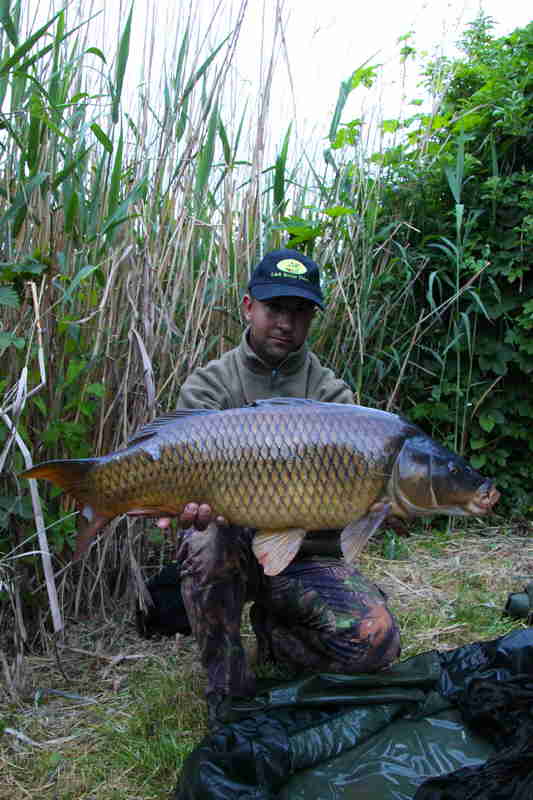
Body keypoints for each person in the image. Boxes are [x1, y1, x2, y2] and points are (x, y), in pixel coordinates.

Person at [158, 248, 401, 726]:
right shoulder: (210, 386)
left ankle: (277, 634)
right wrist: (186, 508)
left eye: (300, 311)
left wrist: (381, 507)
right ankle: (227, 688)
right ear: (249, 307)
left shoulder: (333, 396)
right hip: (231, 550)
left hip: (305, 556)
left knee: (378, 643)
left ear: (312, 318)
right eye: (275, 308)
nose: (286, 323)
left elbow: (359, 508)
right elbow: (179, 467)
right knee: (205, 539)